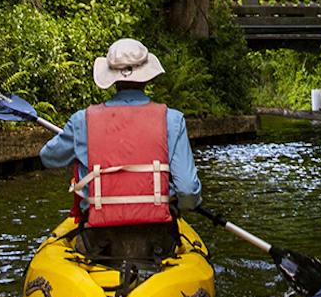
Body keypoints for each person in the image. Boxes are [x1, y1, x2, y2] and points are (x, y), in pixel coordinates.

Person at [40, 38, 202, 264]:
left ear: (111, 79)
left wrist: (77, 141)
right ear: (147, 77)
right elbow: (188, 190)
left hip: (98, 243)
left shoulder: (82, 121)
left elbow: (48, 158)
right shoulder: (172, 120)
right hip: (158, 241)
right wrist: (184, 205)